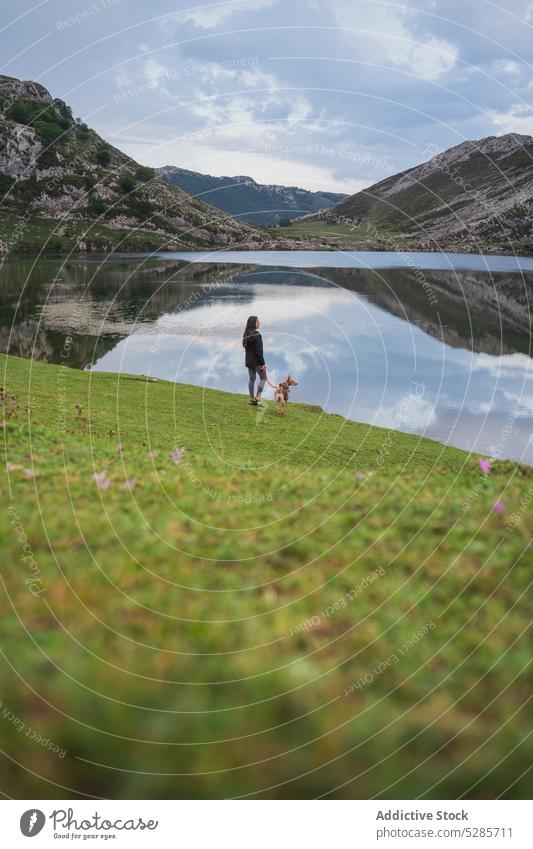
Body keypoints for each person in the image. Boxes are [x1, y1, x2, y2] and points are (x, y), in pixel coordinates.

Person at [242, 315, 266, 405]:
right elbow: (259, 351)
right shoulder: (257, 335)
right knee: (264, 378)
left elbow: (246, 349)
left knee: (252, 379)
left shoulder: (246, 334)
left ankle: (252, 399)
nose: (259, 323)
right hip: (256, 362)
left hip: (249, 362)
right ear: (253, 323)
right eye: (257, 321)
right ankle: (257, 397)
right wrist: (262, 364)